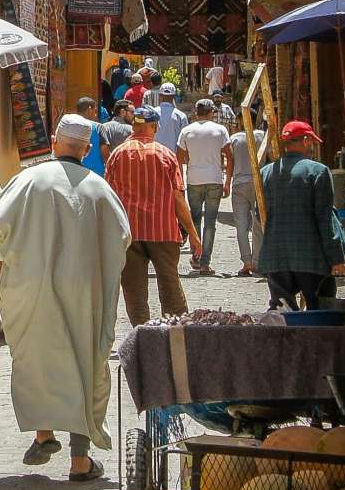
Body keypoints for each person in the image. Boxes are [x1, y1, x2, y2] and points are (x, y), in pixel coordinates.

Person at [0, 114, 130, 481]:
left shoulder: (28, 180)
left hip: (31, 285)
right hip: (84, 288)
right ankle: (80, 461)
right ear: (86, 149)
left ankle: (44, 434)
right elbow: (122, 235)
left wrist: (7, 254)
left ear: (54, 141)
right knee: (84, 360)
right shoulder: (99, 187)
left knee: (36, 357)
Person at [106, 107, 202, 326]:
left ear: (134, 125)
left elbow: (109, 198)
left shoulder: (117, 155)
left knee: (134, 291)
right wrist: (193, 234)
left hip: (130, 233)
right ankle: (176, 335)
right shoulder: (165, 155)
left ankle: (142, 336)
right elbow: (178, 199)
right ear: (155, 126)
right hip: (163, 231)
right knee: (170, 286)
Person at [259, 121, 345, 309]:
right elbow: (325, 219)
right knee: (320, 311)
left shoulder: (265, 173)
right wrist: (336, 258)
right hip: (311, 257)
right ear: (306, 141)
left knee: (282, 312)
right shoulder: (318, 171)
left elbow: (260, 213)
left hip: (275, 256)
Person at [176, 98, 233, 275]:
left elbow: (178, 158)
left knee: (194, 220)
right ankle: (205, 262)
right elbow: (230, 156)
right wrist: (228, 181)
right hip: (215, 179)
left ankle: (197, 256)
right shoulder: (220, 130)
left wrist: (180, 182)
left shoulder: (186, 131)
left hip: (194, 180)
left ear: (196, 112)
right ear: (211, 113)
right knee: (210, 223)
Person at [229, 125, 266, 276]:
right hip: (258, 182)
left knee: (241, 226)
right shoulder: (262, 136)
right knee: (258, 224)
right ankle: (257, 262)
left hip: (239, 183)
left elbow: (228, 161)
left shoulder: (234, 138)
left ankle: (247, 262)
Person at [77, 97, 109, 177]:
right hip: (95, 174)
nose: (95, 115)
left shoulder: (69, 125)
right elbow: (104, 151)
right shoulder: (98, 127)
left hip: (75, 172)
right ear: (89, 109)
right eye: (95, 111)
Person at [154, 82, 189, 152]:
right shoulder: (181, 116)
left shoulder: (152, 113)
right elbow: (185, 140)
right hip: (173, 157)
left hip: (155, 156)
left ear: (160, 95)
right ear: (174, 96)